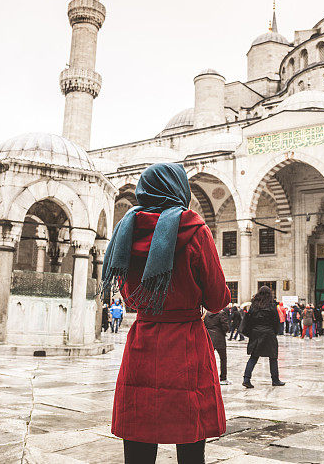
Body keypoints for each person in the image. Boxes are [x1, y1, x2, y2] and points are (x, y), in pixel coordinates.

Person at [104, 163, 230, 464]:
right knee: (189, 435)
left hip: (143, 341)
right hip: (186, 342)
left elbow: (130, 299)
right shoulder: (194, 228)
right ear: (178, 189)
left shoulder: (126, 229)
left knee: (139, 434)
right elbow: (217, 299)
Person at [241, 286, 285, 388]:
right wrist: (274, 332)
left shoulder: (254, 306)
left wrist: (251, 332)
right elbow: (276, 321)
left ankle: (246, 379)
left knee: (253, 357)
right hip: (268, 333)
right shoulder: (271, 306)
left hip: (256, 333)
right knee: (273, 357)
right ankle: (275, 380)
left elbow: (249, 320)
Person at [204, 309, 230, 384]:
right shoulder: (221, 313)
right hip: (219, 338)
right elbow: (225, 327)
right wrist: (224, 332)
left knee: (208, 359)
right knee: (223, 358)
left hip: (209, 337)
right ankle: (223, 378)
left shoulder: (206, 314)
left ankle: (207, 377)